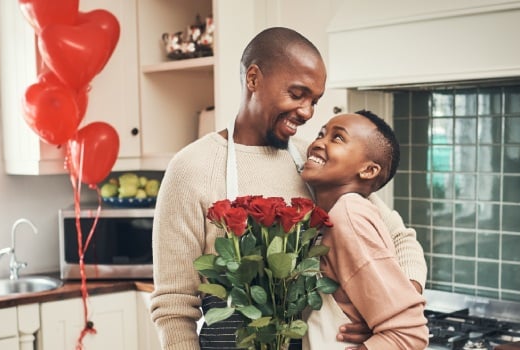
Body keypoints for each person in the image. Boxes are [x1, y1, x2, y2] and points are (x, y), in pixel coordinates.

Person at [149, 27, 426, 350]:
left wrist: (384, 309)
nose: (308, 112)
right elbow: (173, 306)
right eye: (297, 95)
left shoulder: (314, 163)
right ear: (253, 79)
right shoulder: (192, 168)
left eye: (314, 101)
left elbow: (400, 237)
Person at [300, 110, 429, 349]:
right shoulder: (338, 212)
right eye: (321, 134)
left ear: (368, 171)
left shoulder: (349, 214)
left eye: (337, 138)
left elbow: (407, 334)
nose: (319, 142)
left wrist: (400, 300)